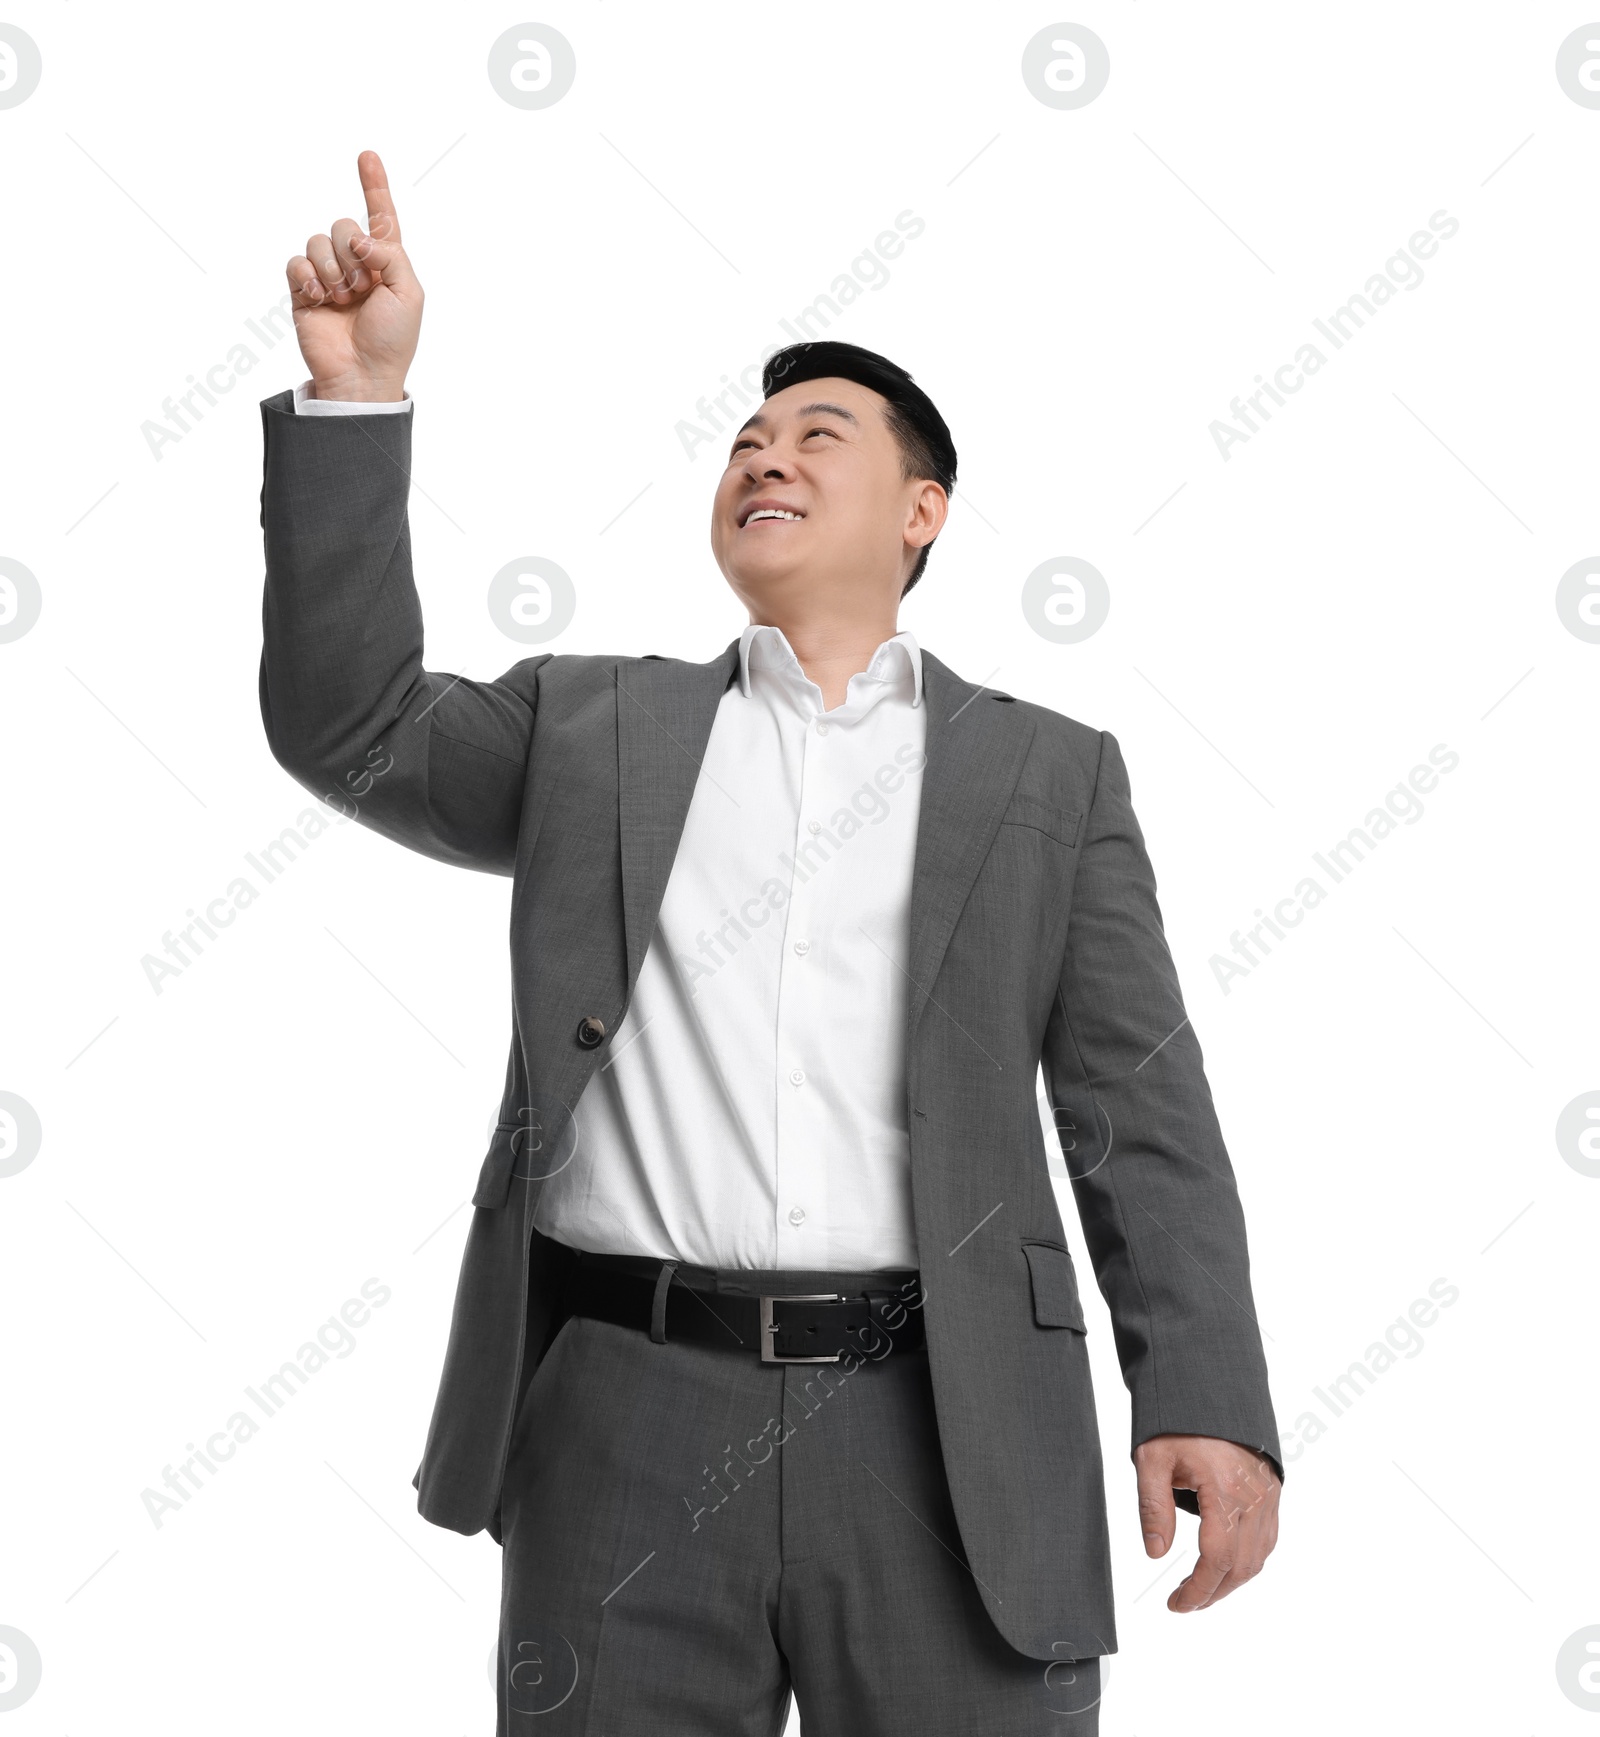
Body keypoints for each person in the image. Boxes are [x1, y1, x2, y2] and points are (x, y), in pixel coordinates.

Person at [261, 150, 1282, 1737]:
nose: (765, 454)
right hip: (621, 1410)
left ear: (923, 510)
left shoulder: (1045, 771)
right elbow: (353, 730)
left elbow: (1139, 1108)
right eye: (744, 439)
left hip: (950, 1426)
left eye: (820, 434)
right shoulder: (591, 724)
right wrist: (358, 404)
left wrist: (1206, 1392)